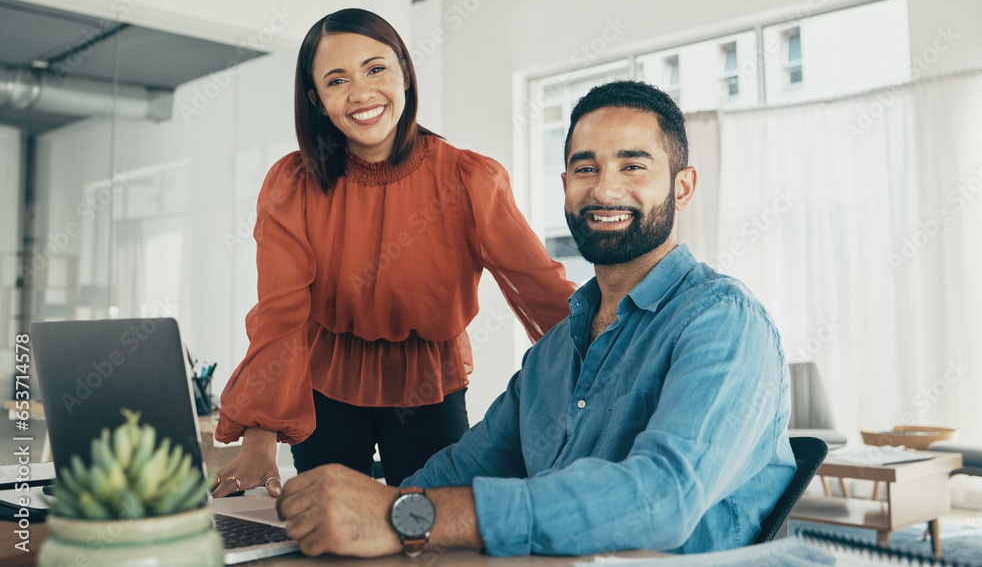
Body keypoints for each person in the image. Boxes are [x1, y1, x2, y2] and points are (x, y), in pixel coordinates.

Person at [274, 79, 796, 558]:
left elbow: (661, 499)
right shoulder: (554, 351)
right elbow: (461, 469)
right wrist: (350, 509)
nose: (605, 189)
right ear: (566, 184)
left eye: (633, 166)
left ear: (682, 187)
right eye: (586, 168)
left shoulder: (724, 322)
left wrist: (410, 517)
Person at [210, 8, 575, 498]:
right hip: (324, 391)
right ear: (317, 100)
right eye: (337, 80)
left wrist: (625, 361)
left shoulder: (469, 179)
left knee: (426, 532)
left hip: (428, 388)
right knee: (333, 536)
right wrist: (260, 435)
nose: (361, 92)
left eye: (376, 68)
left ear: (404, 71)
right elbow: (281, 314)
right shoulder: (292, 184)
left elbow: (542, 290)